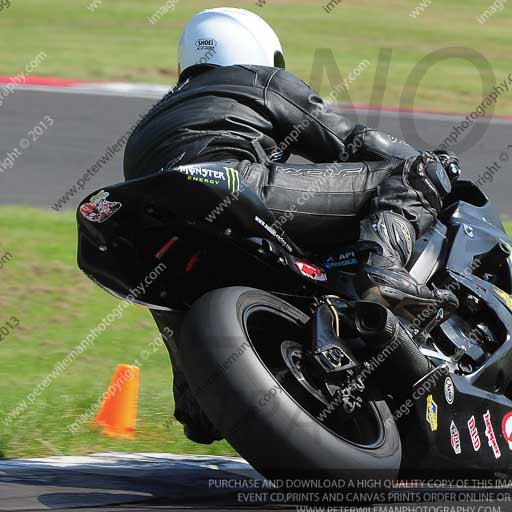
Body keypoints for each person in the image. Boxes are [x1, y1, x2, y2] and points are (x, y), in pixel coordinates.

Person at [122, 7, 460, 442]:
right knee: (417, 171)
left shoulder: (147, 124)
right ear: (256, 50)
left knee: (173, 302)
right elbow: (348, 141)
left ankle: (197, 399)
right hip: (239, 187)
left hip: (168, 233)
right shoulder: (257, 79)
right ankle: (382, 267)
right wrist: (429, 166)